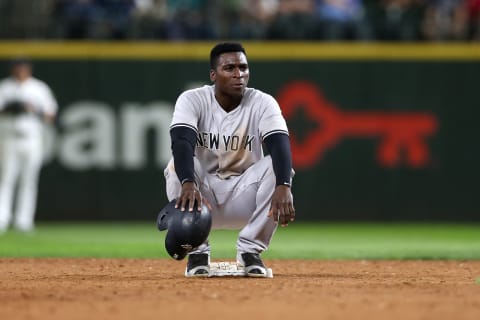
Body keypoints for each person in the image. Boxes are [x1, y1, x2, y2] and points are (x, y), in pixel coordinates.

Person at [164, 42, 295, 277]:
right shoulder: (193, 99)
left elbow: (279, 144)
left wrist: (284, 185)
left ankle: (249, 252)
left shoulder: (262, 102)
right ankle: (197, 252)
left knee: (277, 168)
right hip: (201, 200)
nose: (239, 74)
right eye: (230, 68)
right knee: (177, 165)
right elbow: (181, 141)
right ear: (213, 75)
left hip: (246, 197)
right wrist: (187, 182)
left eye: (243, 68)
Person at [0, 58, 58, 233]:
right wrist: (10, 108)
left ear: (29, 69)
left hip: (32, 138)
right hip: (8, 137)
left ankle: (23, 221)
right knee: (6, 179)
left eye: (23, 68)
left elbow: (50, 114)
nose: (20, 71)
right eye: (18, 68)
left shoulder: (38, 88)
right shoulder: (4, 87)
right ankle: (2, 219)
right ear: (13, 69)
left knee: (29, 180)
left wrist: (34, 110)